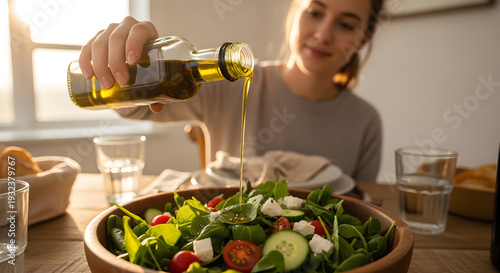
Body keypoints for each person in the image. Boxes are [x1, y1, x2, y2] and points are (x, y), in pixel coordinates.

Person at [78, 0, 385, 182]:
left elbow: (359, 212)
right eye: (315, 13)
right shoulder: (229, 83)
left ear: (364, 37)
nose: (322, 35)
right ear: (295, 10)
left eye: (345, 24)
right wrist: (125, 63)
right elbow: (133, 108)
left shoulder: (365, 121)